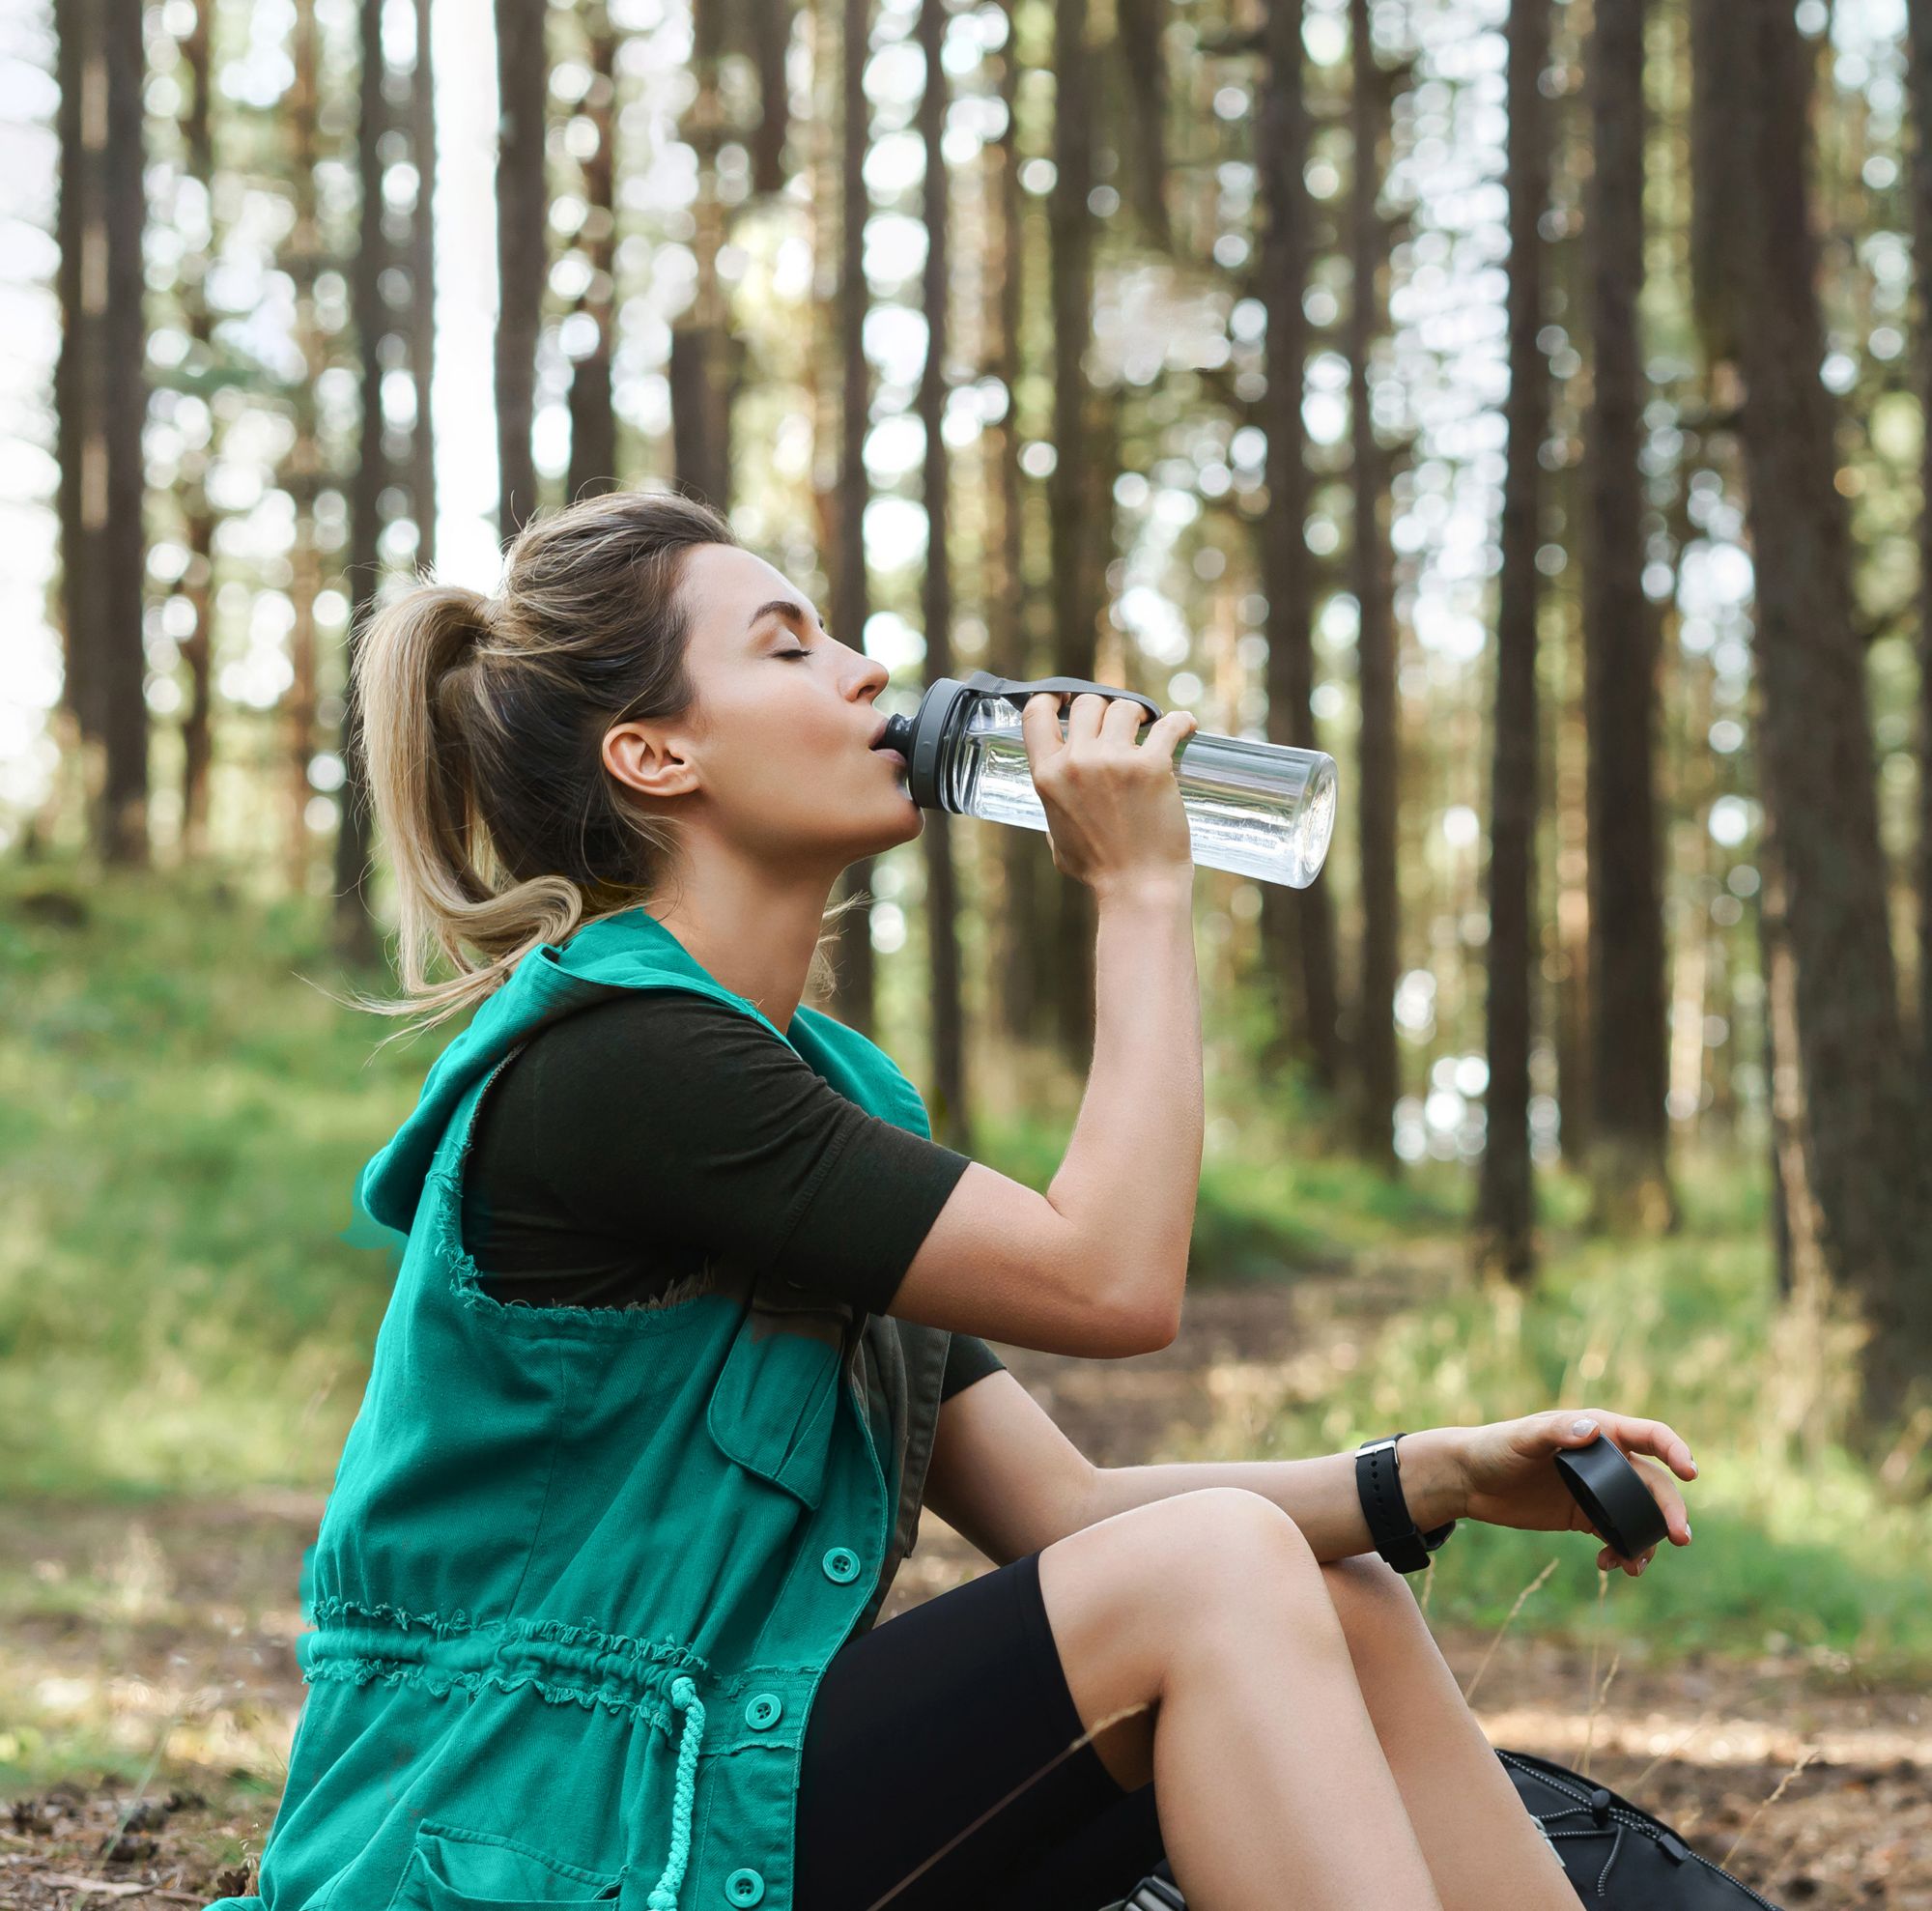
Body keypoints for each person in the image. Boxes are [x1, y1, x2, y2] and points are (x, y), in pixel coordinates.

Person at [213, 486, 1698, 1911]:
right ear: (657, 756)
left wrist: (1423, 1474)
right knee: (1228, 1567)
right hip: (530, 1831)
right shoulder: (625, 1060)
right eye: (790, 645)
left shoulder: (809, 1096)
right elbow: (1113, 1284)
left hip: (688, 1790)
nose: (869, 671)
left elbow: (1068, 1509)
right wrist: (1142, 894)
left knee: (1344, 1593)